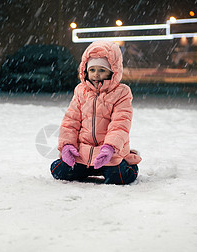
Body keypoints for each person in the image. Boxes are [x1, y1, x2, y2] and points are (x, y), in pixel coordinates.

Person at [50, 41, 141, 185]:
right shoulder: (81, 91)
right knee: (59, 171)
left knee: (119, 178)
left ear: (113, 71)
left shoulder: (121, 93)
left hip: (109, 152)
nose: (96, 75)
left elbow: (120, 124)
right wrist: (67, 145)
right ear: (85, 70)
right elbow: (70, 121)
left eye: (102, 70)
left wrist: (110, 147)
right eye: (92, 70)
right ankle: (86, 167)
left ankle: (129, 163)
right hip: (83, 152)